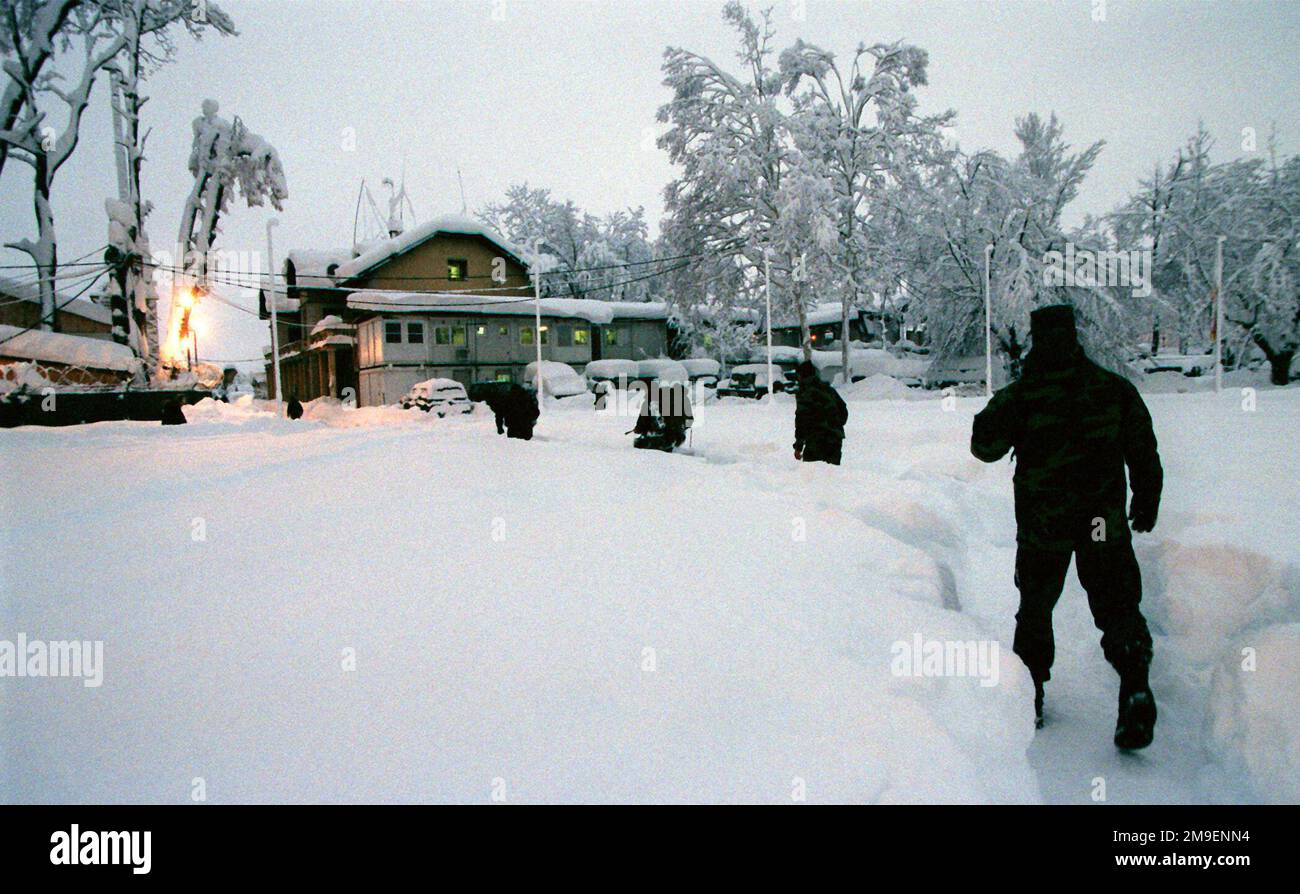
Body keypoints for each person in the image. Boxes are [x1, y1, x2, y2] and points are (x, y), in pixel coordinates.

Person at [970, 304, 1163, 750]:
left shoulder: (1023, 395)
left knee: (1036, 608)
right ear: (1075, 337)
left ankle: (1030, 696)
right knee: (1117, 604)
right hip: (1100, 522)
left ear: (1037, 341)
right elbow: (1143, 450)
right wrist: (1147, 499)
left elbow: (984, 448)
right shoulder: (1113, 389)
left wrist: (999, 409)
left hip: (1045, 525)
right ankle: (1134, 682)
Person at [792, 360, 847, 465]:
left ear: (801, 375)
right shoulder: (828, 389)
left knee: (813, 475)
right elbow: (843, 409)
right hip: (835, 439)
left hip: (816, 440)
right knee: (833, 476)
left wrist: (798, 446)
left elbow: (801, 420)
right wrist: (836, 425)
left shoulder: (805, 392)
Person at [633, 381, 693, 452]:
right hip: (672, 439)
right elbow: (689, 421)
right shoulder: (682, 400)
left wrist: (637, 429)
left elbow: (641, 423)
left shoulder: (649, 401)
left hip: (648, 440)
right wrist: (680, 428)